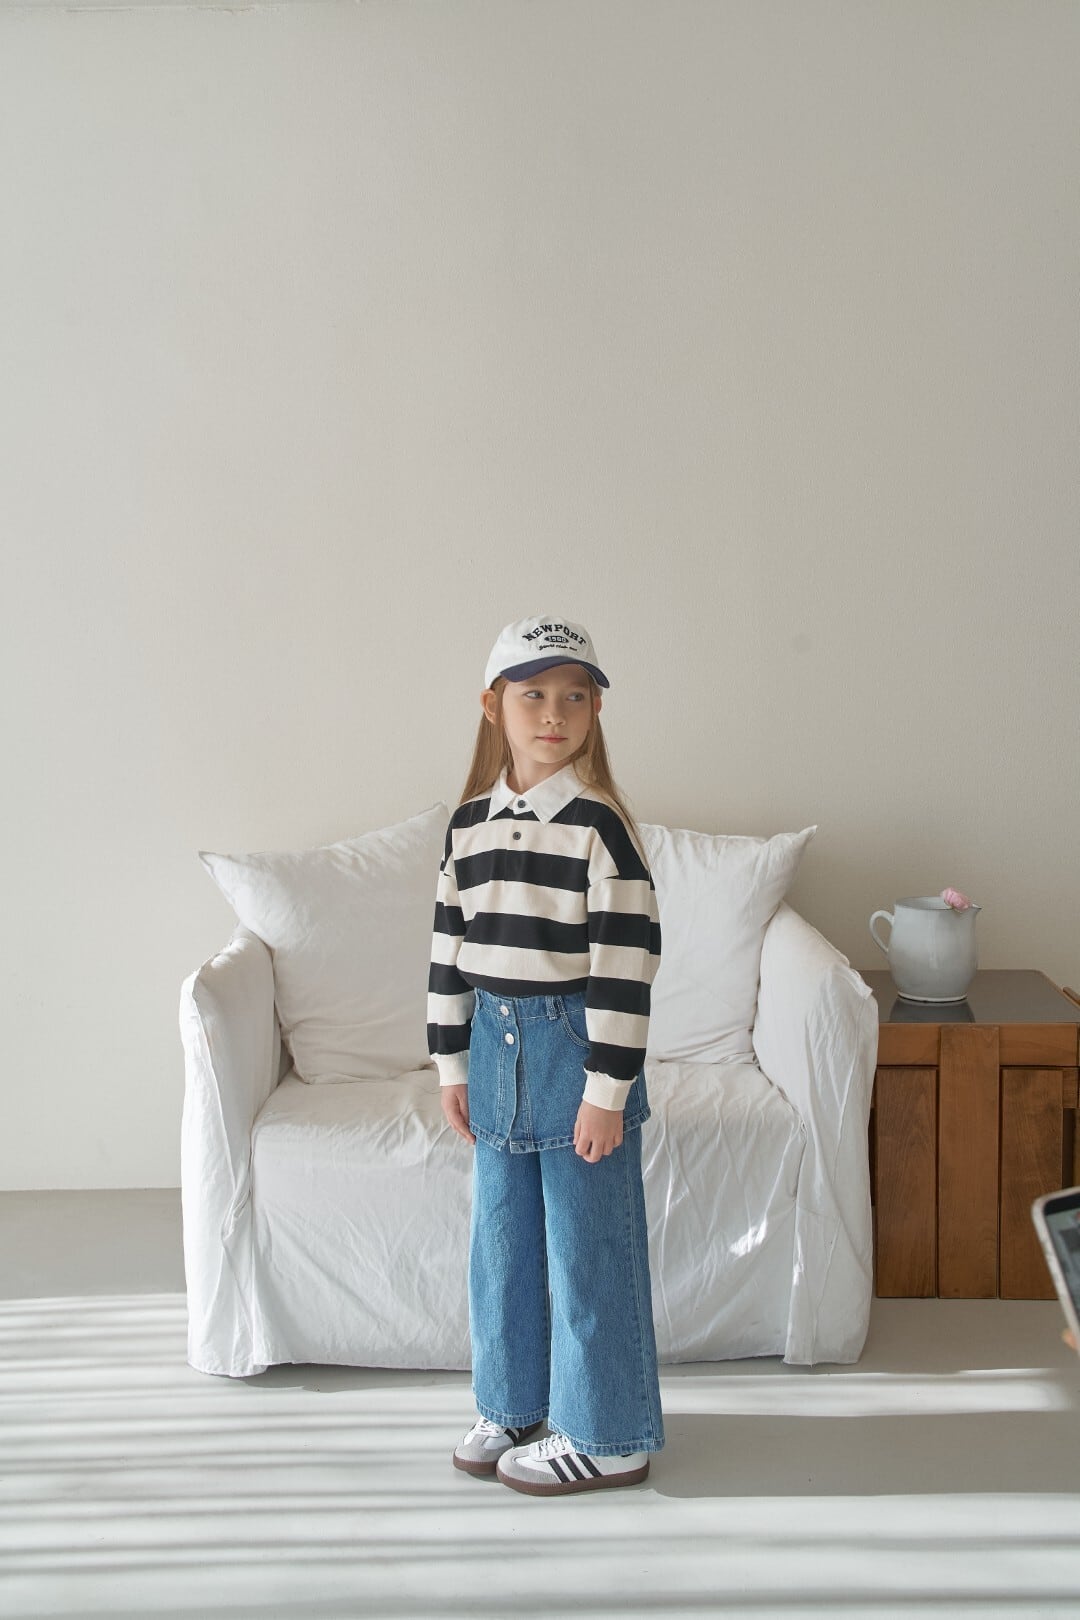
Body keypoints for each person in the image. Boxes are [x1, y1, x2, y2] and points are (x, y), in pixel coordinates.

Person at [426, 614, 665, 1495]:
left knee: (586, 1245)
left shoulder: (600, 828)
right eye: (533, 695)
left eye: (575, 696)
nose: (555, 713)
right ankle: (514, 1404)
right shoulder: (468, 827)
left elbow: (626, 964)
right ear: (493, 707)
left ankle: (607, 1432)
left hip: (574, 1048)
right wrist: (452, 1065)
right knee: (501, 1245)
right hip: (494, 1049)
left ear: (596, 710)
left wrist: (608, 1089)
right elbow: (447, 952)